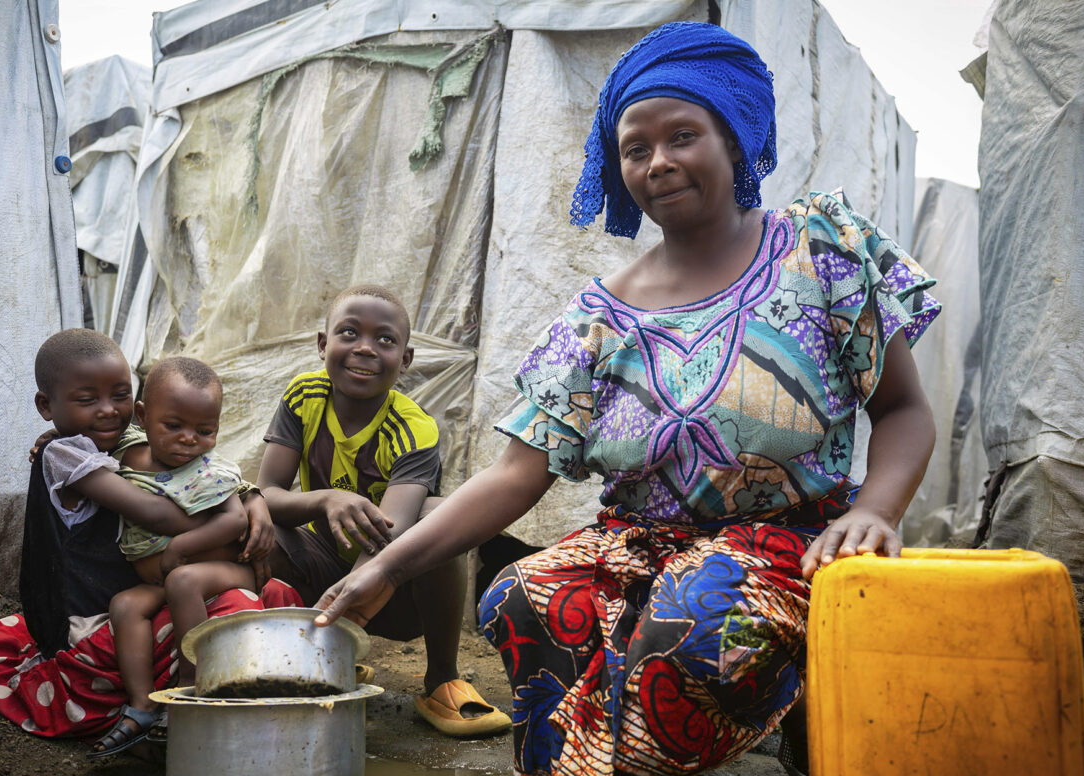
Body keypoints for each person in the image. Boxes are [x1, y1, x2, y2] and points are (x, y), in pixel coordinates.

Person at [313, 22, 940, 776]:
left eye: (682, 135)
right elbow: (516, 474)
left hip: (786, 542)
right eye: (634, 148)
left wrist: (876, 510)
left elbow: (902, 409)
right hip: (636, 541)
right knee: (524, 595)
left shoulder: (821, 251)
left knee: (693, 612)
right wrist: (387, 567)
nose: (658, 162)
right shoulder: (598, 319)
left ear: (733, 139)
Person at [0, 329, 299, 741]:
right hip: (85, 625)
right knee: (234, 604)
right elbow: (157, 512)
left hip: (139, 594)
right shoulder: (66, 453)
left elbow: (202, 475)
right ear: (45, 405)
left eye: (119, 395)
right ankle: (174, 701)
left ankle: (185, 698)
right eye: (87, 400)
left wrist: (249, 498)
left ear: (137, 407)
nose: (107, 411)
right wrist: (228, 527)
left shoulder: (127, 441)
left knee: (231, 594)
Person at [257, 284, 511, 737]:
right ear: (322, 344)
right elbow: (268, 491)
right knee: (258, 523)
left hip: (397, 587)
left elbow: (390, 531)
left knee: (439, 516)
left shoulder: (413, 428)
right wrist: (325, 499)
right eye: (349, 332)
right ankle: (315, 658)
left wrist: (348, 610)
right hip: (323, 568)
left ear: (406, 359)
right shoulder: (303, 398)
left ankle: (441, 680)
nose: (365, 349)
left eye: (385, 340)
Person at [91, 356, 259, 757]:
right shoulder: (128, 449)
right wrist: (51, 438)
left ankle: (189, 689)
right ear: (143, 417)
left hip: (222, 571)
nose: (189, 439)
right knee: (124, 605)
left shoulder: (207, 471)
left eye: (205, 431)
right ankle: (142, 705)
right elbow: (83, 437)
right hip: (157, 581)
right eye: (174, 426)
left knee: (183, 581)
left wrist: (181, 547)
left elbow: (234, 520)